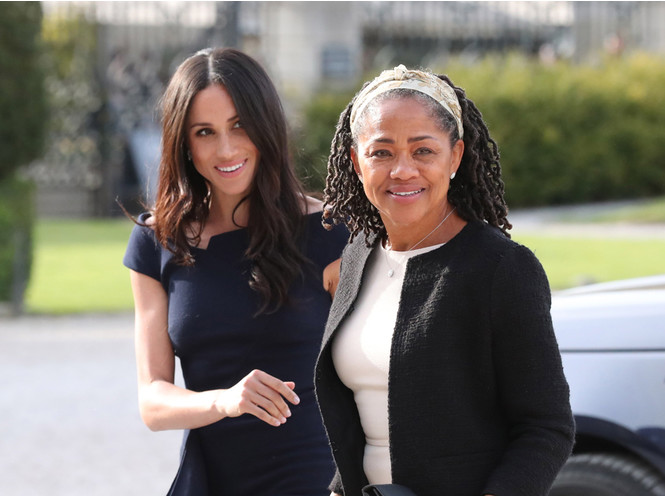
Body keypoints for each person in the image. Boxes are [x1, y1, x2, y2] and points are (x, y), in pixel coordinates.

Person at [315, 65, 575, 496]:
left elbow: (547, 428)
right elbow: (362, 419)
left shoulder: (501, 268)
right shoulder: (358, 256)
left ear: (454, 157)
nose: (402, 170)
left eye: (423, 151)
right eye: (381, 153)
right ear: (356, 162)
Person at [123, 47, 347, 495]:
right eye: (204, 132)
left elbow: (378, 376)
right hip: (210, 480)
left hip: (316, 478)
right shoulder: (157, 241)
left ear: (266, 125)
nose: (225, 149)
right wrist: (225, 401)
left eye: (239, 125)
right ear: (184, 143)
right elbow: (152, 401)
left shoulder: (331, 232)